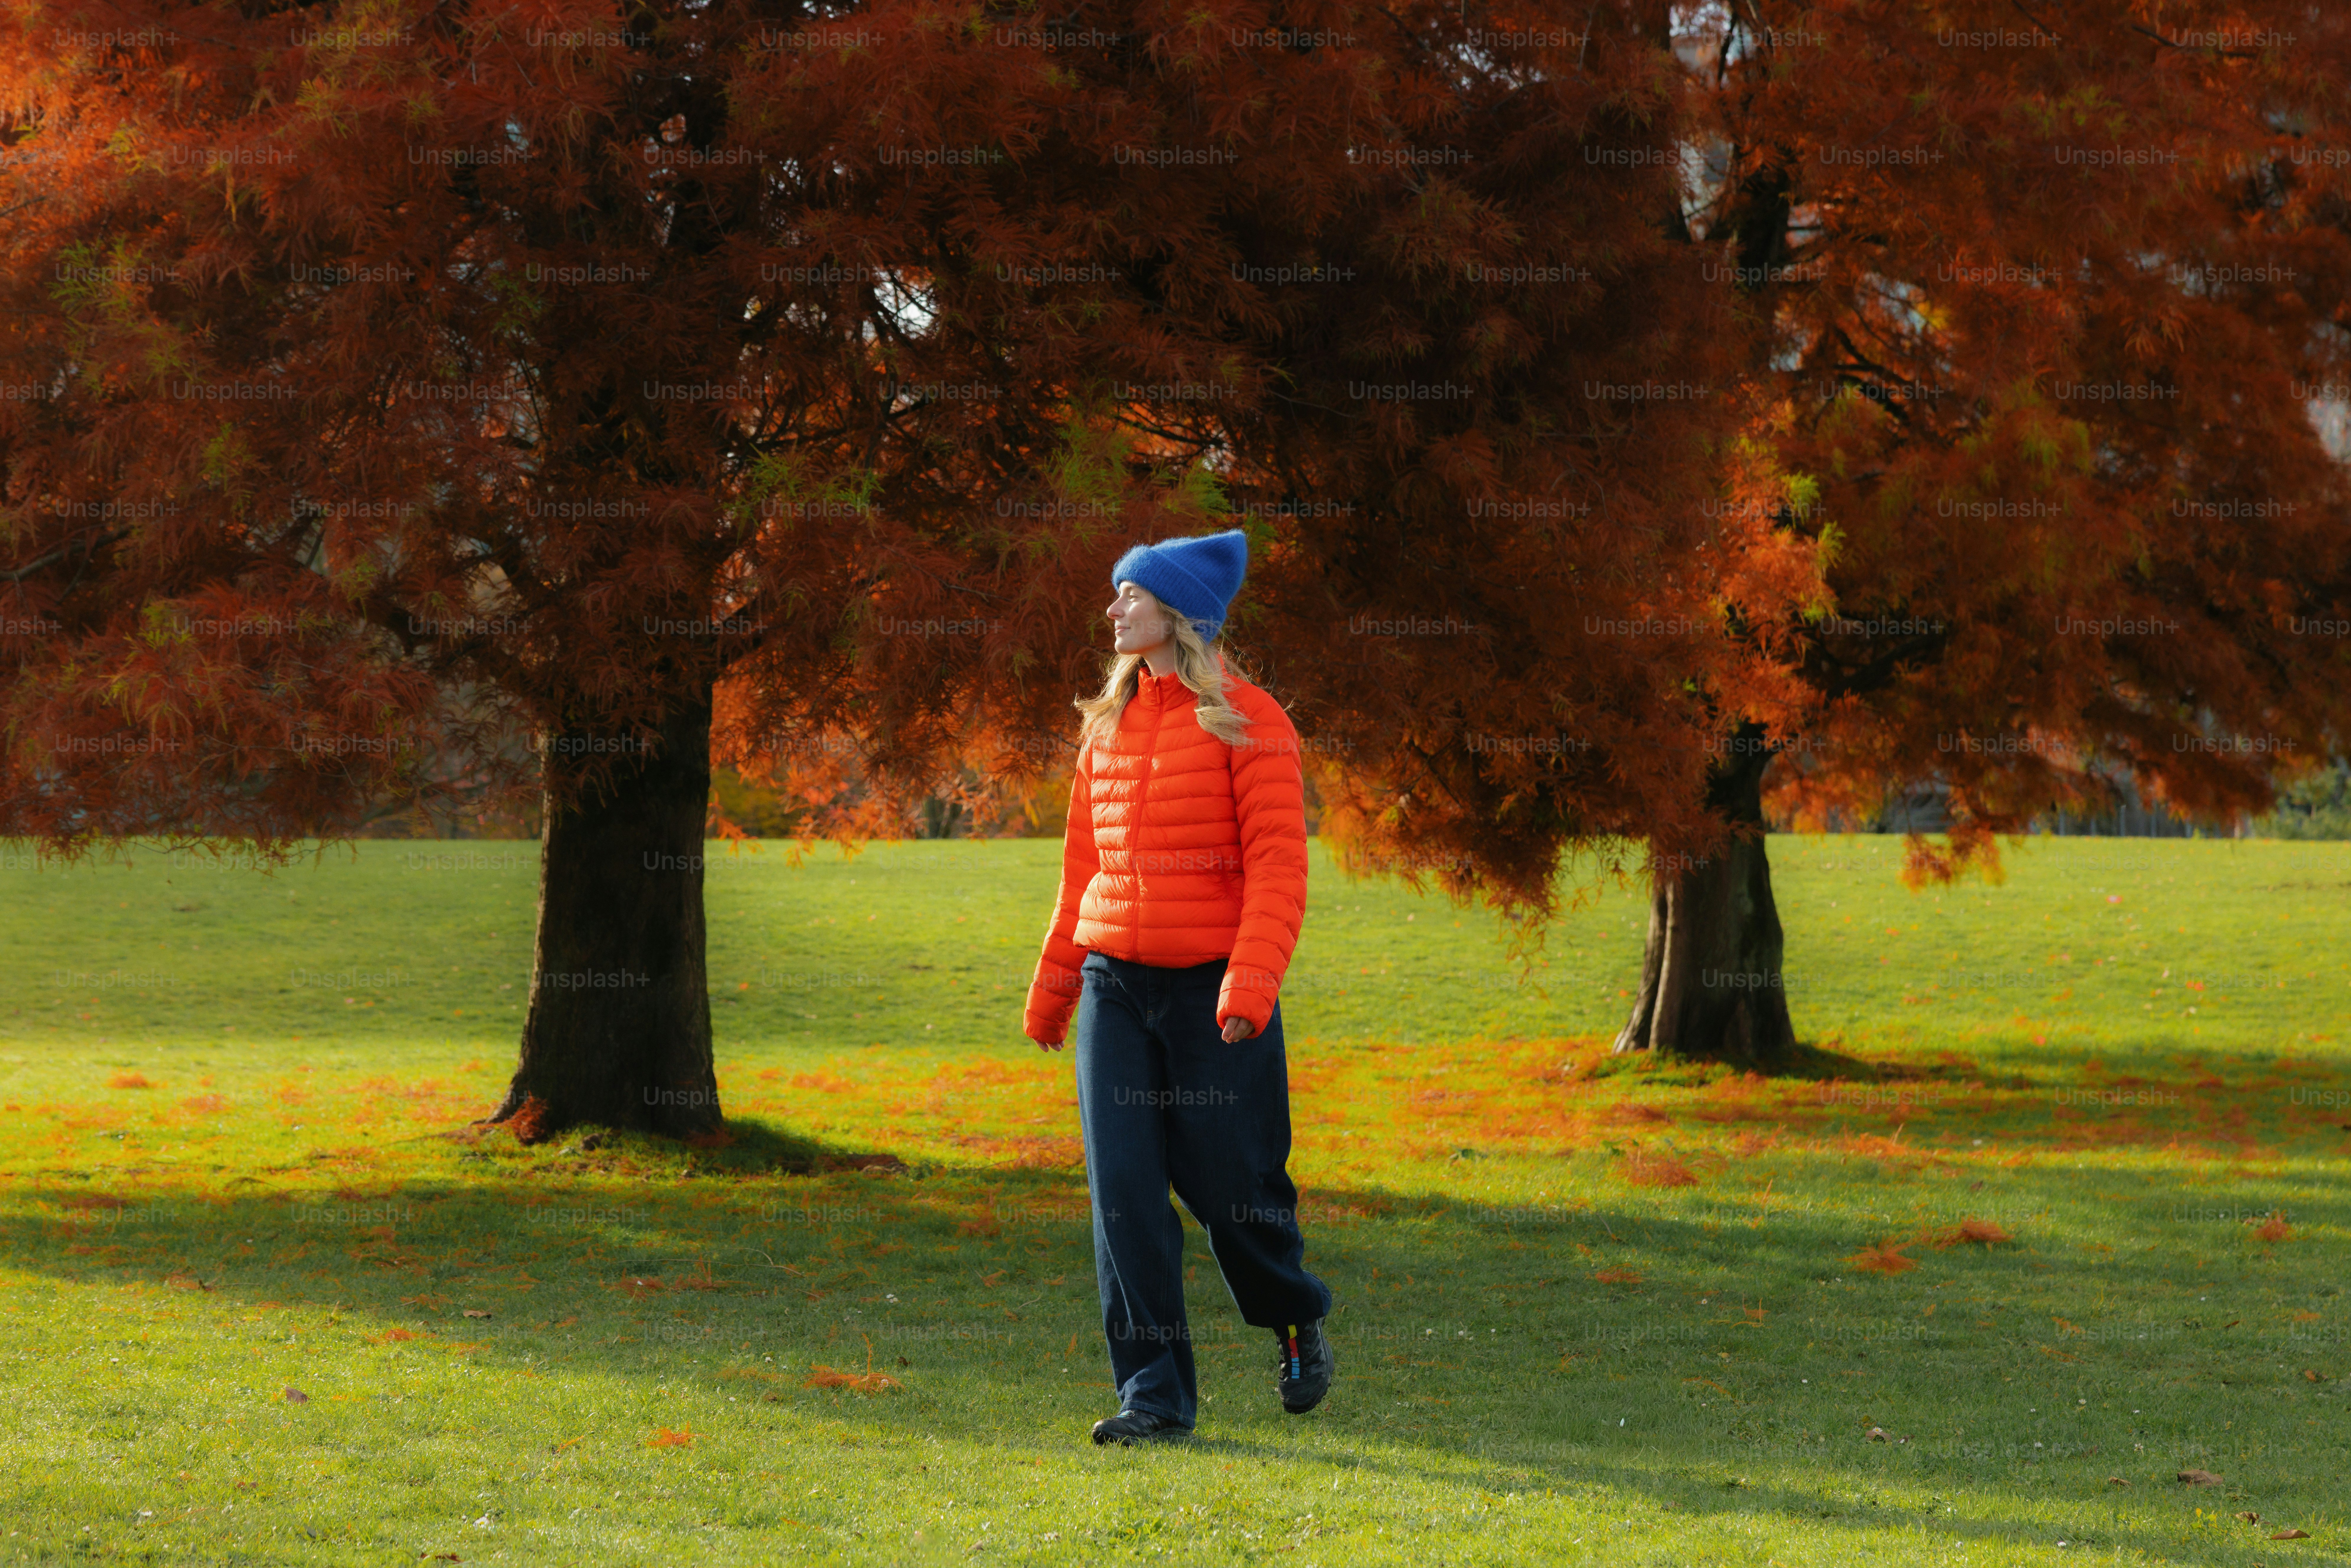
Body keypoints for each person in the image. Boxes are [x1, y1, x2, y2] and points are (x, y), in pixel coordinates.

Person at [1022, 527, 1334, 1446]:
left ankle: (1292, 1317)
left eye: (1131, 594)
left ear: (1179, 615)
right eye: (1117, 594)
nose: (1114, 608)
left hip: (1215, 994)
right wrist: (1056, 987)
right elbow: (1082, 869)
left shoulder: (1253, 720)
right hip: (1116, 985)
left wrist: (1249, 987)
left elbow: (1280, 867)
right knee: (1123, 1192)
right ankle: (1155, 1397)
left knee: (1234, 1189)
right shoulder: (1106, 726)